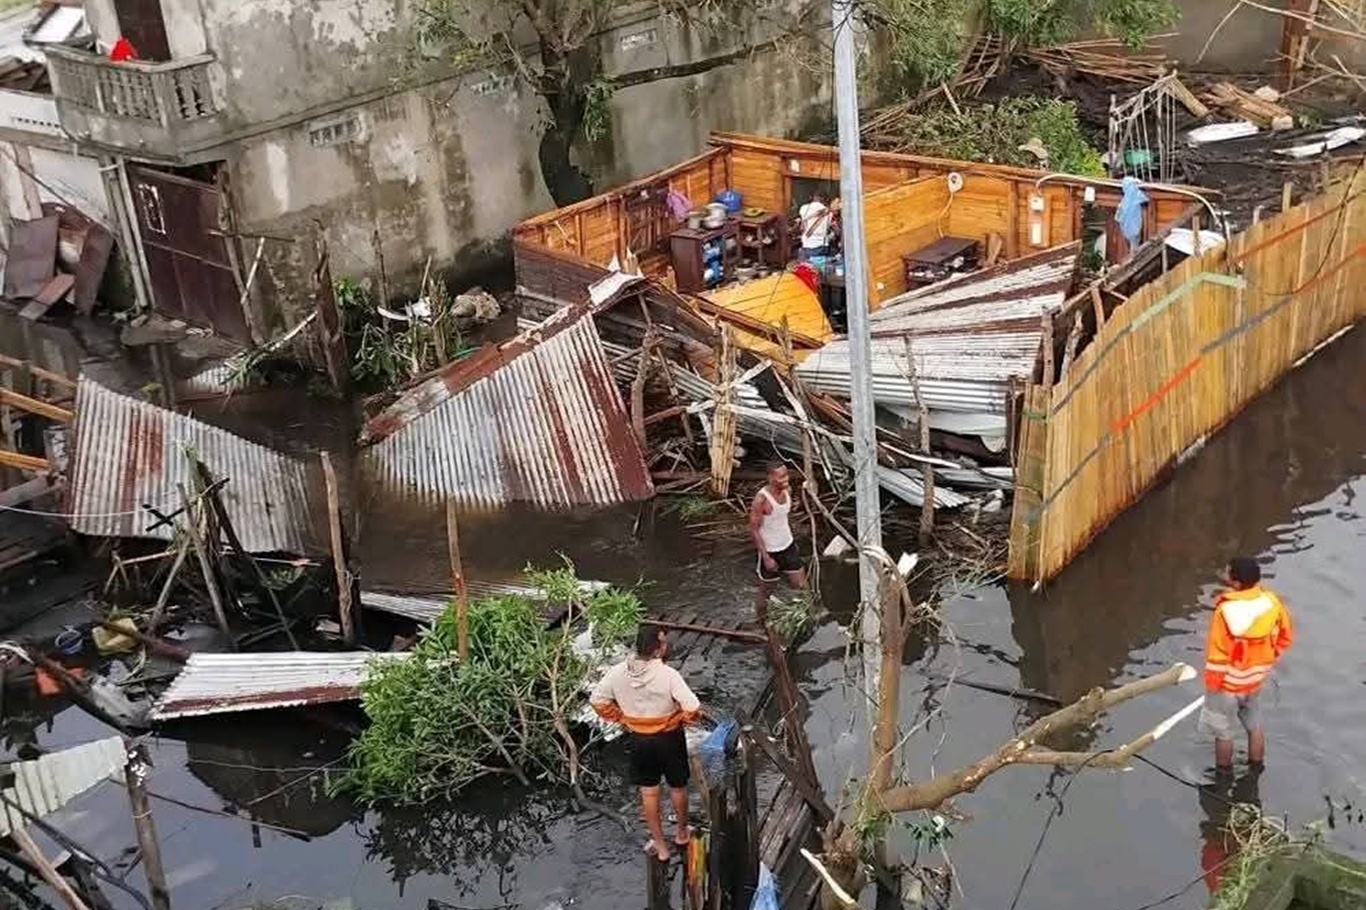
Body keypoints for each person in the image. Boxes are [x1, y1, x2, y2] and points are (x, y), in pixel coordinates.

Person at [590, 624, 701, 863]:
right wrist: (681, 718)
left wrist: (622, 718)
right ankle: (682, 833)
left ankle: (660, 848)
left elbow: (597, 701)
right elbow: (692, 707)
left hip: (639, 739)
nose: (666, 645)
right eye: (663, 642)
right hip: (669, 738)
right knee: (678, 787)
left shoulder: (617, 672)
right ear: (658, 649)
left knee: (649, 793)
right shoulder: (668, 675)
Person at [1199, 556, 1293, 772]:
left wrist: (1214, 685)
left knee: (1223, 732)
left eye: (1228, 571)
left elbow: (1218, 651)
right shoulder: (1272, 603)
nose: (1225, 572)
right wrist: (1266, 659)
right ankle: (1256, 767)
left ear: (1236, 583)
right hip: (1254, 680)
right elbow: (1285, 637)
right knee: (1254, 726)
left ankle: (1223, 775)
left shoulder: (1225, 610)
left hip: (1228, 685)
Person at [750, 462, 807, 622]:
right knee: (766, 592)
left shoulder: (787, 491)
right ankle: (760, 621)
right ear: (770, 477)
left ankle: (805, 618)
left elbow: (783, 515)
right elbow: (754, 529)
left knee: (803, 588)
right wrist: (766, 558)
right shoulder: (761, 500)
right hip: (771, 552)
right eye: (781, 476)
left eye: (786, 475)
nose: (786, 479)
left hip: (788, 546)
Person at [798, 193, 833, 260]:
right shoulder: (828, 212)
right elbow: (827, 227)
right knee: (819, 267)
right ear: (823, 199)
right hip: (821, 244)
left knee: (808, 267)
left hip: (806, 243)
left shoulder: (803, 208)